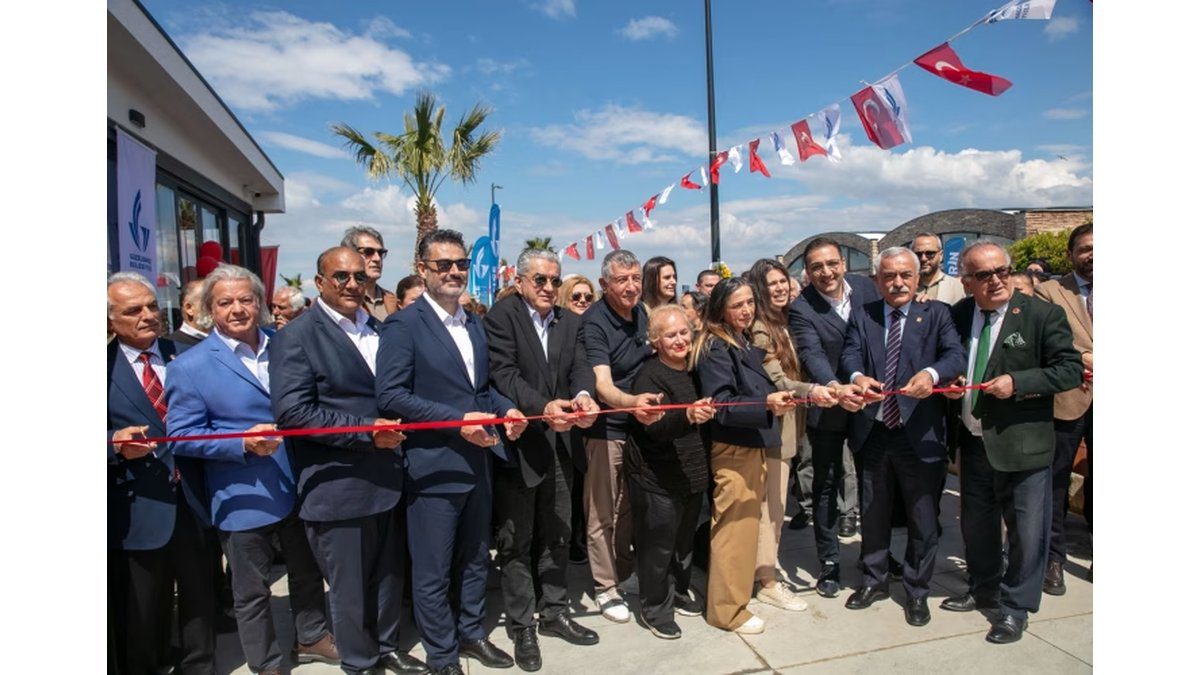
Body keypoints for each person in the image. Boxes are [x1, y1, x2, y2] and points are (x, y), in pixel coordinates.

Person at [166, 265, 336, 674]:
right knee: (252, 590)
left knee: (307, 571)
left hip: (299, 480)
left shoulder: (285, 344)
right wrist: (241, 442)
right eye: (225, 302)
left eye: (246, 299)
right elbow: (181, 436)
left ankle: (311, 636)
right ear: (209, 309)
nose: (238, 309)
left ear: (259, 303)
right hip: (242, 490)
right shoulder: (189, 366)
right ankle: (267, 662)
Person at [376, 229, 528, 675]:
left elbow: (480, 391)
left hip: (478, 461)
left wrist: (507, 409)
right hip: (431, 467)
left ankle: (472, 634)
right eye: (443, 265)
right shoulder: (403, 325)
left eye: (460, 263)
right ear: (422, 270)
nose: (455, 272)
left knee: (476, 557)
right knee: (433, 569)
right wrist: (457, 421)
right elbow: (391, 396)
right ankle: (442, 654)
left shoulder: (473, 323)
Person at [269, 246, 426, 675]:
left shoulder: (379, 329)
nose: (353, 284)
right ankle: (360, 662)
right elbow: (293, 414)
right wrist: (367, 432)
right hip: (338, 486)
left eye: (360, 276)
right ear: (319, 283)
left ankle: (388, 646)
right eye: (341, 277)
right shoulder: (296, 337)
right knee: (350, 589)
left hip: (391, 479)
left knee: (389, 578)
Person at [940, 240, 1083, 644]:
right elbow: (956, 361)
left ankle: (1016, 607)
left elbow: (1068, 371)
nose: (997, 281)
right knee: (976, 524)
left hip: (1022, 443)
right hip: (973, 440)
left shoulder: (1041, 314)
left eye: (1002, 271)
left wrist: (1018, 383)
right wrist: (953, 385)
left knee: (1025, 530)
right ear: (967, 282)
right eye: (984, 275)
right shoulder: (960, 314)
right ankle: (983, 586)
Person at [483, 248, 601, 671]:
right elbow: (504, 375)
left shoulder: (571, 321)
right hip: (522, 445)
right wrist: (546, 407)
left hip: (563, 446)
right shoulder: (501, 318)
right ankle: (522, 626)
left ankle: (554, 612)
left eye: (555, 279)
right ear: (520, 282)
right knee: (517, 541)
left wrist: (584, 396)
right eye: (540, 280)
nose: (550, 287)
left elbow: (581, 368)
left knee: (558, 533)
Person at [838, 247, 965, 628]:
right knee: (874, 513)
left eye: (905, 275)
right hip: (874, 431)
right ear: (877, 280)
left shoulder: (937, 314)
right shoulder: (864, 316)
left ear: (917, 277)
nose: (897, 283)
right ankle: (875, 580)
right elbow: (849, 356)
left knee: (922, 518)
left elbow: (955, 356)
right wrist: (858, 378)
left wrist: (931, 374)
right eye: (889, 276)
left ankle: (916, 590)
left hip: (920, 434)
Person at [107, 272, 216, 675]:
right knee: (141, 607)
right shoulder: (101, 368)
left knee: (199, 598)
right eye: (133, 310)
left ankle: (200, 667)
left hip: (192, 498)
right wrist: (114, 441)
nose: (148, 315)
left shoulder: (186, 354)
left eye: (152, 305)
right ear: (110, 320)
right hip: (137, 506)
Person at [692, 277, 799, 635]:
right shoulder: (714, 346)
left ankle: (735, 599)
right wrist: (766, 402)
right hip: (733, 448)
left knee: (745, 528)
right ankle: (726, 611)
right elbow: (722, 404)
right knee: (733, 531)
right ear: (720, 308)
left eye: (750, 303)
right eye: (737, 305)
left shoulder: (738, 340)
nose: (746, 310)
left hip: (749, 444)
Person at [744, 259, 837, 612]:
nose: (781, 288)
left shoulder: (785, 321)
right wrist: (814, 390)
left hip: (790, 424)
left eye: (784, 281)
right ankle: (767, 579)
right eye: (772, 284)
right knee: (772, 507)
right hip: (773, 427)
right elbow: (778, 381)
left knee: (774, 505)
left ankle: (765, 568)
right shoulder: (761, 328)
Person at [787, 238, 878, 596]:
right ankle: (829, 561)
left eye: (831, 264)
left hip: (869, 403)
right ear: (807, 273)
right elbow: (811, 353)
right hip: (828, 407)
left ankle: (874, 555)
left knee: (873, 484)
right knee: (824, 486)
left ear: (843, 263)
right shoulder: (802, 307)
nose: (825, 272)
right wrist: (833, 387)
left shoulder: (869, 288)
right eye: (816, 267)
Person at [580, 250, 661, 624]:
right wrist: (632, 403)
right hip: (608, 429)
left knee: (629, 507)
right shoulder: (595, 323)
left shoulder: (643, 313)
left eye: (635, 278)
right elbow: (602, 385)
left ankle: (624, 574)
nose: (630, 286)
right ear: (604, 285)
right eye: (621, 280)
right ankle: (604, 588)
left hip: (640, 428)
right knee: (602, 512)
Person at [626, 305, 715, 639]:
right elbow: (654, 429)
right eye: (670, 334)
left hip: (692, 474)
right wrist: (687, 418)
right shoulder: (648, 377)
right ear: (655, 341)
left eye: (683, 333)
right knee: (657, 547)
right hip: (656, 478)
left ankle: (678, 591)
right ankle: (655, 609)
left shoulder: (696, 371)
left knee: (683, 544)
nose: (679, 340)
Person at [1033, 222, 1093, 595]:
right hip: (1068, 398)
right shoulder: (1050, 291)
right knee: (1054, 482)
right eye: (1085, 248)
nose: (1093, 255)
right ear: (1071, 254)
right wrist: (1086, 355)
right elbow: (1050, 338)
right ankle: (1053, 558)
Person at [342, 225, 398, 321]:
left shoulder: (392, 300)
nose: (377, 259)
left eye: (380, 253)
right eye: (368, 252)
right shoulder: (341, 300)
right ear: (349, 254)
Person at [911, 233, 966, 305]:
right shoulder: (905, 287)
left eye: (930, 253)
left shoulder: (959, 287)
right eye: (918, 254)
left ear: (941, 255)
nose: (923, 258)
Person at [167, 279, 210, 346]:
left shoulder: (227, 340)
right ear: (189, 308)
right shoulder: (172, 346)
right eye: (209, 301)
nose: (215, 307)